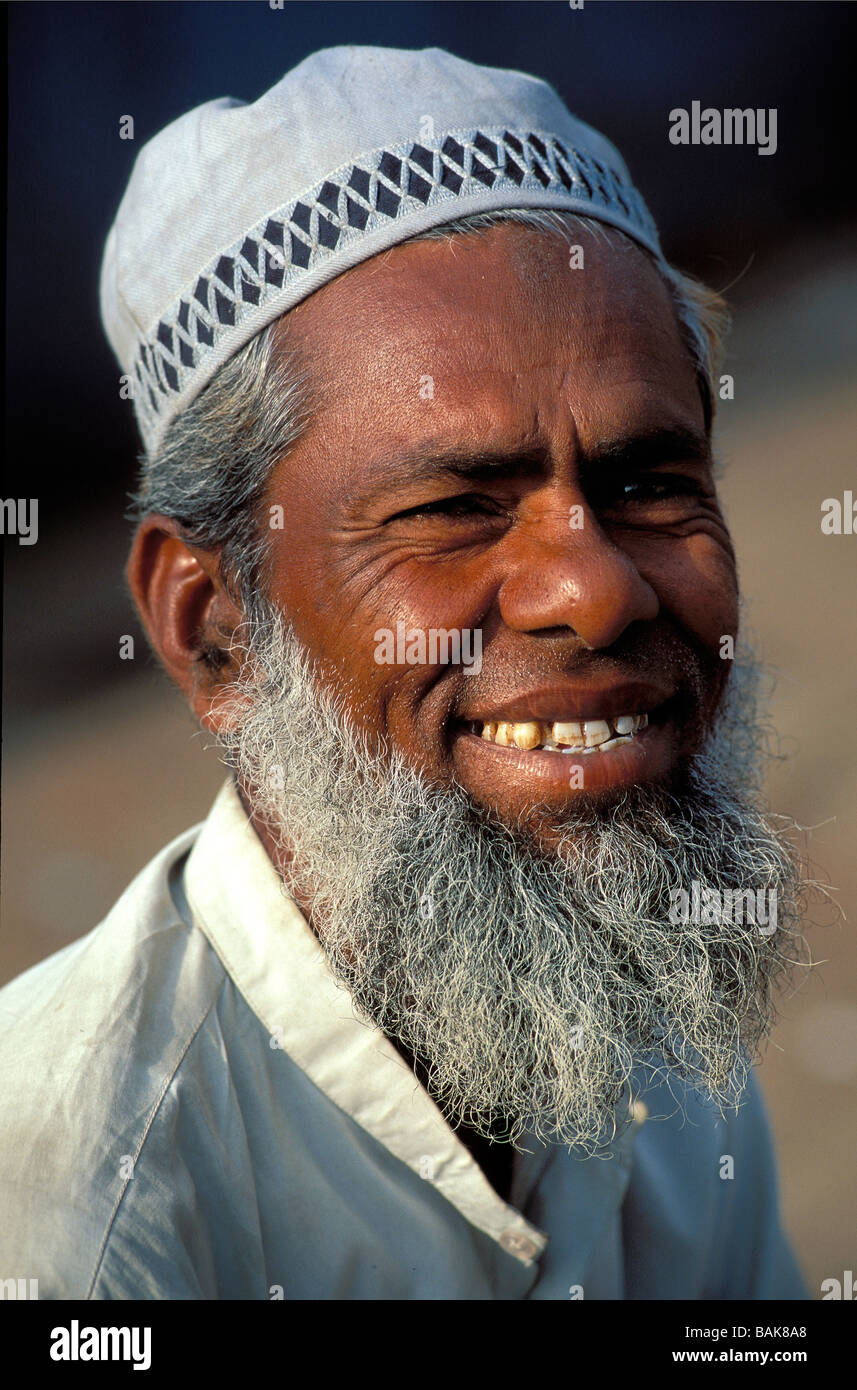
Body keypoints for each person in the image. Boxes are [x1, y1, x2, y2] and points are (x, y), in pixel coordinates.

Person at [0, 45, 808, 1299]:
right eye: (452, 508)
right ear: (214, 626)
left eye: (648, 484)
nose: (595, 590)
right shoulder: (70, 1201)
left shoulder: (654, 1024)